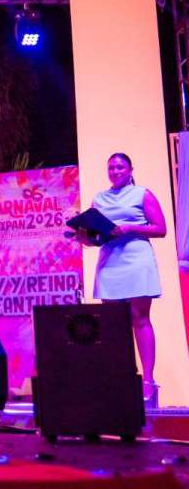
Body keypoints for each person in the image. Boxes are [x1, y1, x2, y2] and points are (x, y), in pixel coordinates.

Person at [78, 152, 166, 406]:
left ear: (130, 170)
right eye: (111, 168)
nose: (115, 171)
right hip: (110, 262)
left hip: (136, 259)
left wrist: (130, 228)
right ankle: (122, 379)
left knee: (139, 318)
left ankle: (148, 382)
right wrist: (83, 238)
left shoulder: (142, 194)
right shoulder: (99, 199)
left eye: (120, 167)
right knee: (113, 324)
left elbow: (160, 229)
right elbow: (95, 238)